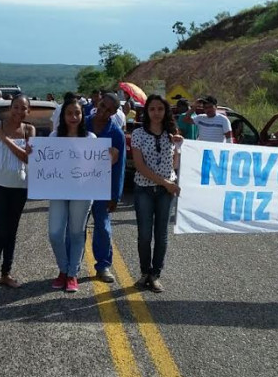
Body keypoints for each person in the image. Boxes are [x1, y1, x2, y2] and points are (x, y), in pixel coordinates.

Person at [0, 94, 36, 290]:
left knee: (12, 231)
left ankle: (6, 273)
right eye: (16, 107)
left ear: (28, 111)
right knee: (0, 230)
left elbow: (26, 158)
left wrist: (4, 139)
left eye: (23, 108)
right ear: (10, 108)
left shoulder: (29, 130)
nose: (19, 111)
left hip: (19, 186)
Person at [131, 94, 181, 293]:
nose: (156, 113)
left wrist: (178, 146)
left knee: (161, 235)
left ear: (165, 111)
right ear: (147, 111)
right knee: (144, 234)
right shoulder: (138, 134)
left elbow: (174, 164)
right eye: (152, 109)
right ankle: (144, 272)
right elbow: (140, 166)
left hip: (165, 192)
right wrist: (166, 183)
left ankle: (155, 274)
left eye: (160, 109)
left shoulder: (172, 133)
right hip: (144, 189)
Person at [49, 98, 100, 293]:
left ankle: (71, 274)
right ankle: (63, 268)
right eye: (69, 113)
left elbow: (98, 165)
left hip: (83, 191)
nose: (73, 117)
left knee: (76, 232)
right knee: (55, 233)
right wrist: (33, 154)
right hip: (58, 190)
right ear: (63, 116)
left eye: (77, 113)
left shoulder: (91, 139)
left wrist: (109, 157)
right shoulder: (54, 137)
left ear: (82, 115)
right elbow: (43, 162)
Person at [85, 93, 125, 283]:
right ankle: (72, 267)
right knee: (77, 227)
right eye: (102, 105)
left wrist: (115, 195)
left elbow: (120, 166)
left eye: (108, 109)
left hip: (102, 187)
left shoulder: (116, 133)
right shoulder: (81, 124)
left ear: (114, 112)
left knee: (102, 227)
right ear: (97, 102)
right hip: (79, 186)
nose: (103, 111)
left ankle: (103, 266)